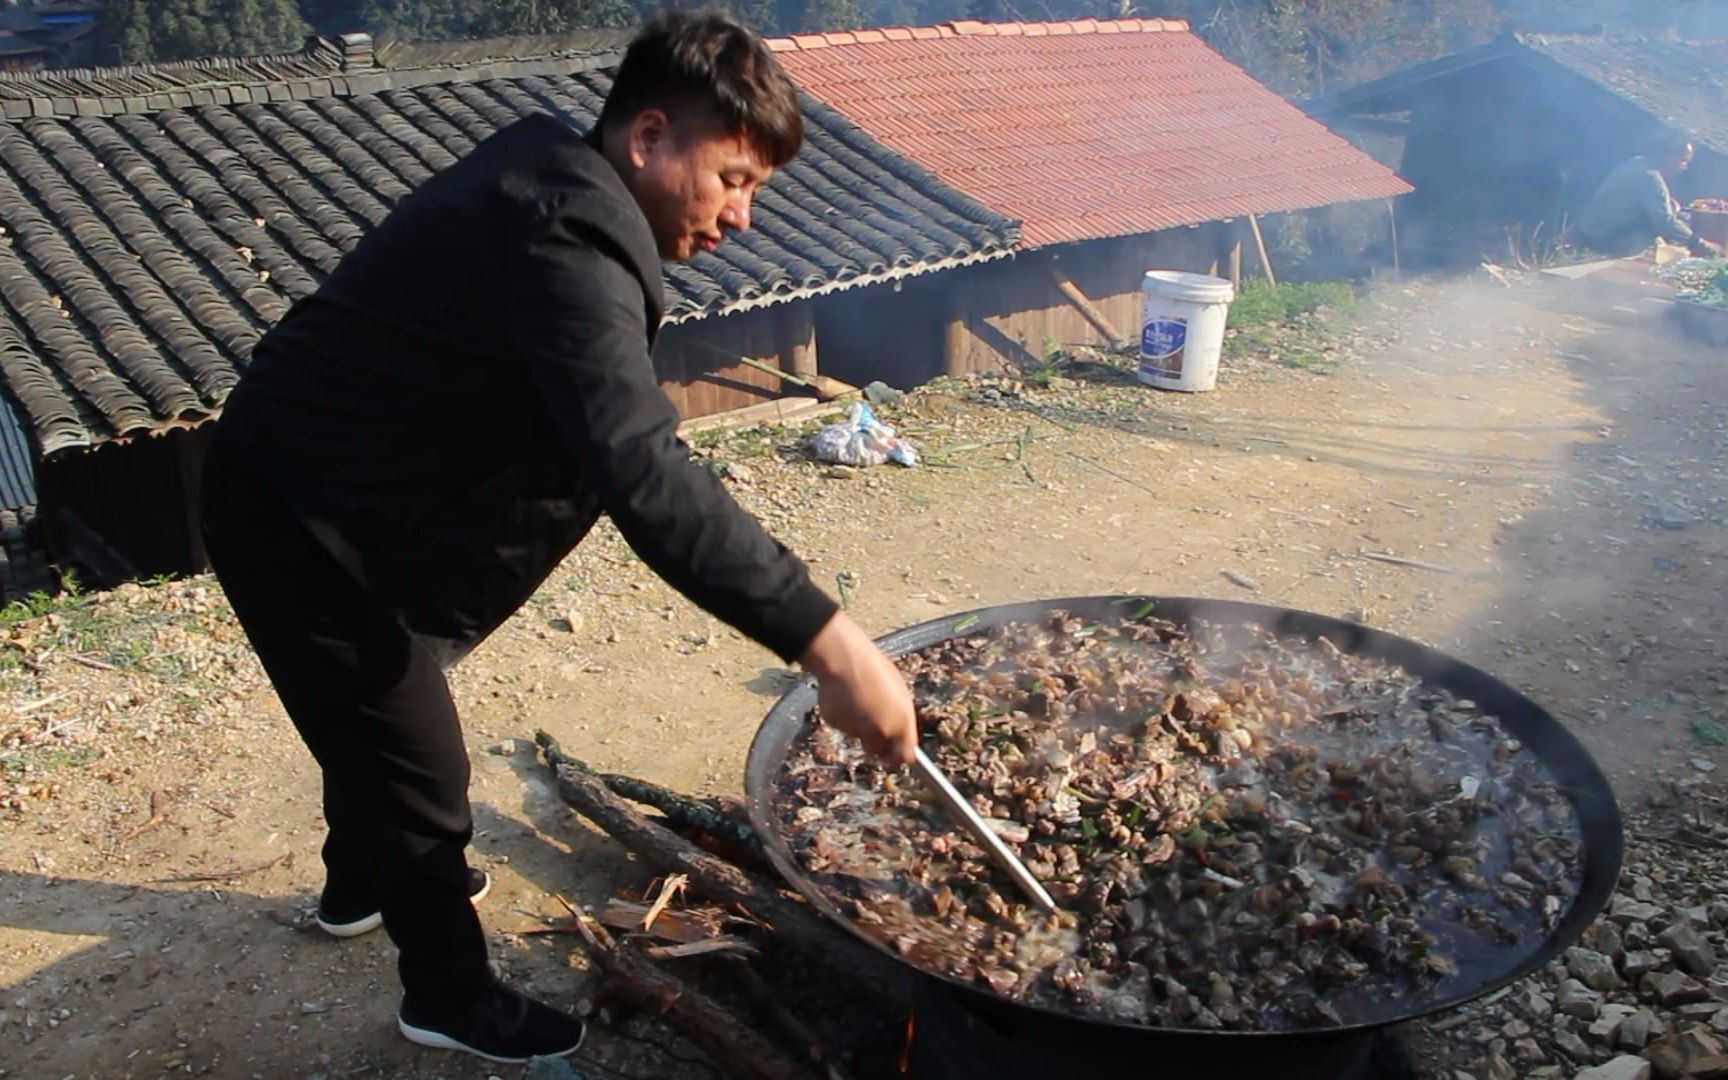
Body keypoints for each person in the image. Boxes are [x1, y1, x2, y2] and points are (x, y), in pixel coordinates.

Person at [198, 9, 918, 1066]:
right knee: (423, 770)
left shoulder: (557, 175)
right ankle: (445, 995)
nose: (744, 217)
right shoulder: (567, 238)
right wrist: (833, 643)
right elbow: (646, 475)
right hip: (300, 516)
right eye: (734, 179)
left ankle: (363, 880)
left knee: (381, 722)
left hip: (365, 497)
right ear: (649, 139)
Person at [1577, 136, 1723, 258]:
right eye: (1683, 161)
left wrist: (1669, 205)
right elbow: (1666, 224)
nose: (1684, 167)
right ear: (1670, 156)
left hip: (1591, 230)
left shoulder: (1636, 163)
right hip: (1606, 240)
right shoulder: (1651, 179)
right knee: (1661, 236)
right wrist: (1702, 244)